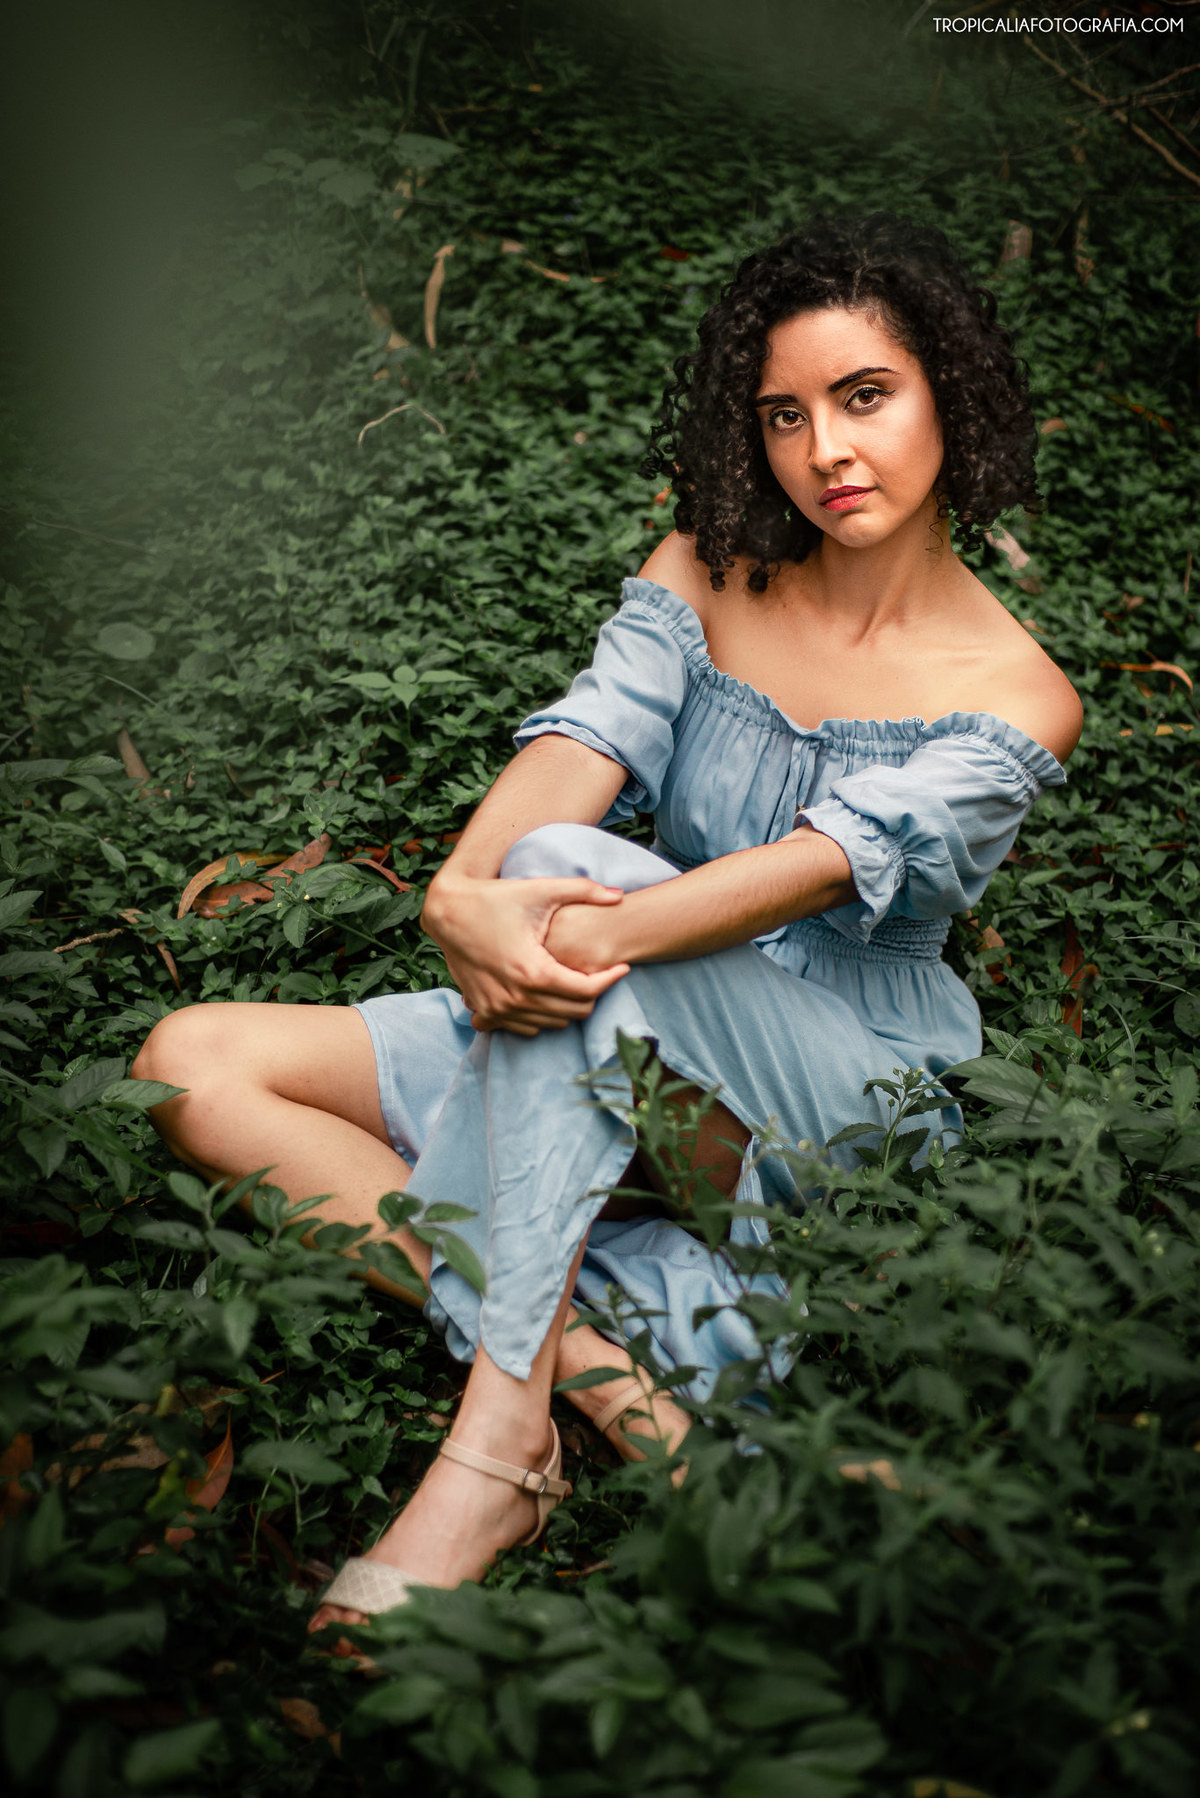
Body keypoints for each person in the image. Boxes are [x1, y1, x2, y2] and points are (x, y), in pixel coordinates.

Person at [132, 211, 1082, 1645]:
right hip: (605, 995)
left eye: (866, 395)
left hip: (831, 1106)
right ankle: (598, 1375)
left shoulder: (1020, 692)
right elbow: (585, 739)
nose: (826, 447)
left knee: (579, 879)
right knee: (191, 1060)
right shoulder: (709, 567)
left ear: (950, 386)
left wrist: (546, 896)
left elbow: (814, 868)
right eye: (785, 414)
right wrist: (461, 894)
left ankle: (492, 1451)